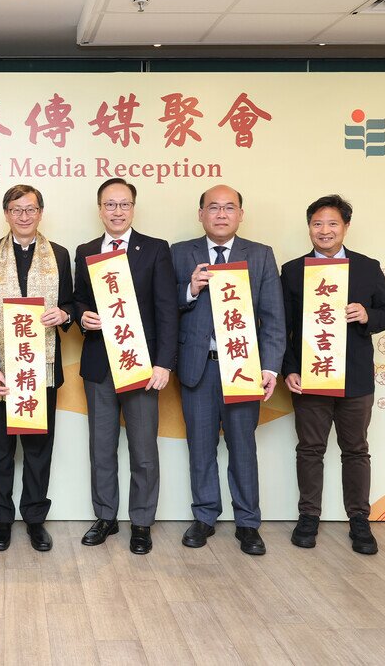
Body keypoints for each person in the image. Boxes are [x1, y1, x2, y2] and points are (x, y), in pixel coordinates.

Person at [171, 184, 285, 556]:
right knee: (200, 447)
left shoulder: (262, 256)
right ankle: (204, 516)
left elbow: (273, 317)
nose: (221, 214)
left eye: (229, 208)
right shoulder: (179, 253)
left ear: (240, 214)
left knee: (242, 447)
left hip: (243, 369)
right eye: (213, 208)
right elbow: (162, 308)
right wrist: (189, 289)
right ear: (200, 214)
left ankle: (248, 522)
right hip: (198, 368)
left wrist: (270, 366)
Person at [281, 195, 385, 555]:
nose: (325, 230)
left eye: (332, 224)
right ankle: (308, 517)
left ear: (345, 227)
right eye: (317, 223)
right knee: (310, 450)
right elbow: (281, 326)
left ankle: (359, 520)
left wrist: (366, 314)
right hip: (310, 378)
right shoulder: (293, 269)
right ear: (309, 228)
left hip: (355, 377)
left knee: (356, 450)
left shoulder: (366, 267)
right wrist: (290, 369)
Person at [74, 177, 177, 555]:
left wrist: (164, 362)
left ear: (133, 208)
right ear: (99, 209)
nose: (117, 211)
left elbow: (167, 308)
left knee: (143, 449)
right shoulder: (85, 251)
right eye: (109, 205)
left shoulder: (154, 249)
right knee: (101, 448)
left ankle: (142, 522)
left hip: (143, 366)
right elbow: (78, 300)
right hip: (100, 364)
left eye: (124, 204)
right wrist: (83, 316)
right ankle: (105, 516)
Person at [0, 184, 74, 552]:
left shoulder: (59, 255)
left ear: (41, 212)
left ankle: (34, 519)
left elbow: (70, 305)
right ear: (6, 214)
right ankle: (2, 519)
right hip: (0, 371)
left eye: (31, 209)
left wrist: (65, 313)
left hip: (40, 369)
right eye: (17, 210)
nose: (24, 216)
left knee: (37, 449)